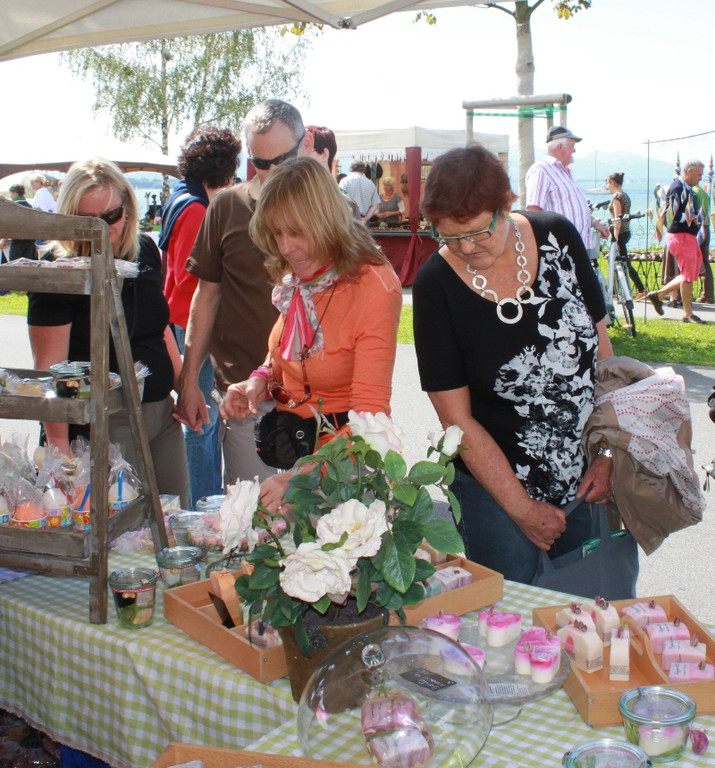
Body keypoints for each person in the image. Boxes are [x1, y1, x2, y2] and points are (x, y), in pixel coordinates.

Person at [412, 144, 614, 584]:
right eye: (449, 236)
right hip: (495, 493)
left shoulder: (558, 236)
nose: (465, 248)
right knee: (506, 621)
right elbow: (455, 417)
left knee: (588, 609)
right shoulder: (435, 286)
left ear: (506, 207)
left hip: (588, 474)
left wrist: (607, 453)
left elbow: (604, 354)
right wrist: (521, 508)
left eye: (478, 232)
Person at [219, 156, 402, 513]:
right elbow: (288, 351)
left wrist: (302, 476)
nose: (285, 247)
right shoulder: (303, 276)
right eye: (276, 234)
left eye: (297, 232)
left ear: (326, 223)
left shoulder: (373, 287)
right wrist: (258, 381)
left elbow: (370, 416)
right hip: (297, 453)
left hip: (346, 470)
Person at [27, 157, 190, 507]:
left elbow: (157, 327)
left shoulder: (144, 250)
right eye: (88, 221)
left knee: (175, 519)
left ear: (128, 210)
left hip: (160, 416)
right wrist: (60, 448)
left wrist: (184, 386)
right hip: (104, 425)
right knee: (120, 536)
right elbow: (48, 369)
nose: (103, 229)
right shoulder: (57, 273)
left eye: (111, 217)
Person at [177, 99, 315, 486]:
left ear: (305, 146)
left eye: (280, 161)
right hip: (247, 401)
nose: (270, 174)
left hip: (321, 401)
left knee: (325, 531)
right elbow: (206, 298)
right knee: (253, 526)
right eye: (259, 163)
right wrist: (190, 382)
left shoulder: (336, 211)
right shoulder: (226, 206)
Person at [160, 125, 242, 507]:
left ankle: (204, 502)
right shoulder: (195, 209)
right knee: (201, 421)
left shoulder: (181, 197)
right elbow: (195, 289)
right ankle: (204, 508)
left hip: (179, 324)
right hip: (189, 327)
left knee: (202, 420)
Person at [525, 126, 609, 250]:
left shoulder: (567, 172)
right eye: (572, 146)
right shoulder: (541, 170)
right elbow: (533, 212)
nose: (574, 151)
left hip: (577, 248)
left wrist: (595, 223)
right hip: (559, 250)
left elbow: (570, 210)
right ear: (560, 147)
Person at [647, 159, 706, 323]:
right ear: (689, 171)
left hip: (688, 236)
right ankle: (688, 313)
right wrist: (690, 217)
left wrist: (694, 218)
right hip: (680, 236)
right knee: (687, 275)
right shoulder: (677, 187)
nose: (700, 178)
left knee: (690, 274)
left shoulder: (689, 189)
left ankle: (659, 295)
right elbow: (671, 213)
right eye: (699, 174)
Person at [605, 172, 646, 300]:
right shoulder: (625, 196)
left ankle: (641, 289)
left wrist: (615, 237)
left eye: (607, 183)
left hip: (619, 232)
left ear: (612, 183)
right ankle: (614, 290)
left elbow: (618, 218)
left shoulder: (616, 197)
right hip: (626, 231)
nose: (607, 186)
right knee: (617, 261)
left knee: (623, 262)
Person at [338, 161, 381, 226]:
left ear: (351, 169)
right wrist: (366, 218)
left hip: (349, 219)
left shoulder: (344, 181)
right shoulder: (370, 184)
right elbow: (375, 204)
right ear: (364, 170)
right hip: (364, 219)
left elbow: (340, 200)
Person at [692, 180, 714, 304]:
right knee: (705, 261)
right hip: (706, 227)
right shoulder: (705, 193)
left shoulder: (693, 192)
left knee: (690, 261)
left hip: (698, 229)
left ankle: (681, 292)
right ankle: (708, 294)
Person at [6, 184, 36, 261]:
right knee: (28, 264)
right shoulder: (29, 205)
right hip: (30, 241)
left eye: (11, 193)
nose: (10, 195)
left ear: (15, 193)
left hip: (17, 241)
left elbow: (10, 223)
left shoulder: (13, 205)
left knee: (14, 264)